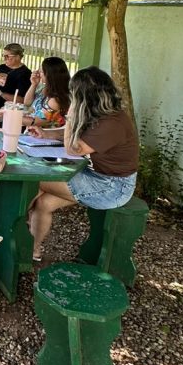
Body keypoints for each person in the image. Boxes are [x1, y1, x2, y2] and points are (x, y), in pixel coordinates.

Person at [28, 67, 139, 262]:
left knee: (33, 181)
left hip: (113, 187)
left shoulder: (112, 123)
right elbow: (76, 135)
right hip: (96, 176)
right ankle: (31, 250)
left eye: (73, 93)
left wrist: (70, 116)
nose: (71, 97)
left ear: (84, 95)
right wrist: (46, 134)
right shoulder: (101, 113)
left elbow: (73, 148)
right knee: (44, 203)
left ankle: (12, 231)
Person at [0, 55, 70, 131]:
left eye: (41, 71)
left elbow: (38, 122)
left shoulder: (55, 100)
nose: (38, 73)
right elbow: (27, 103)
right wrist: (34, 84)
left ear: (50, 74)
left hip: (42, 134)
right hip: (32, 130)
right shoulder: (43, 88)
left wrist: (10, 115)